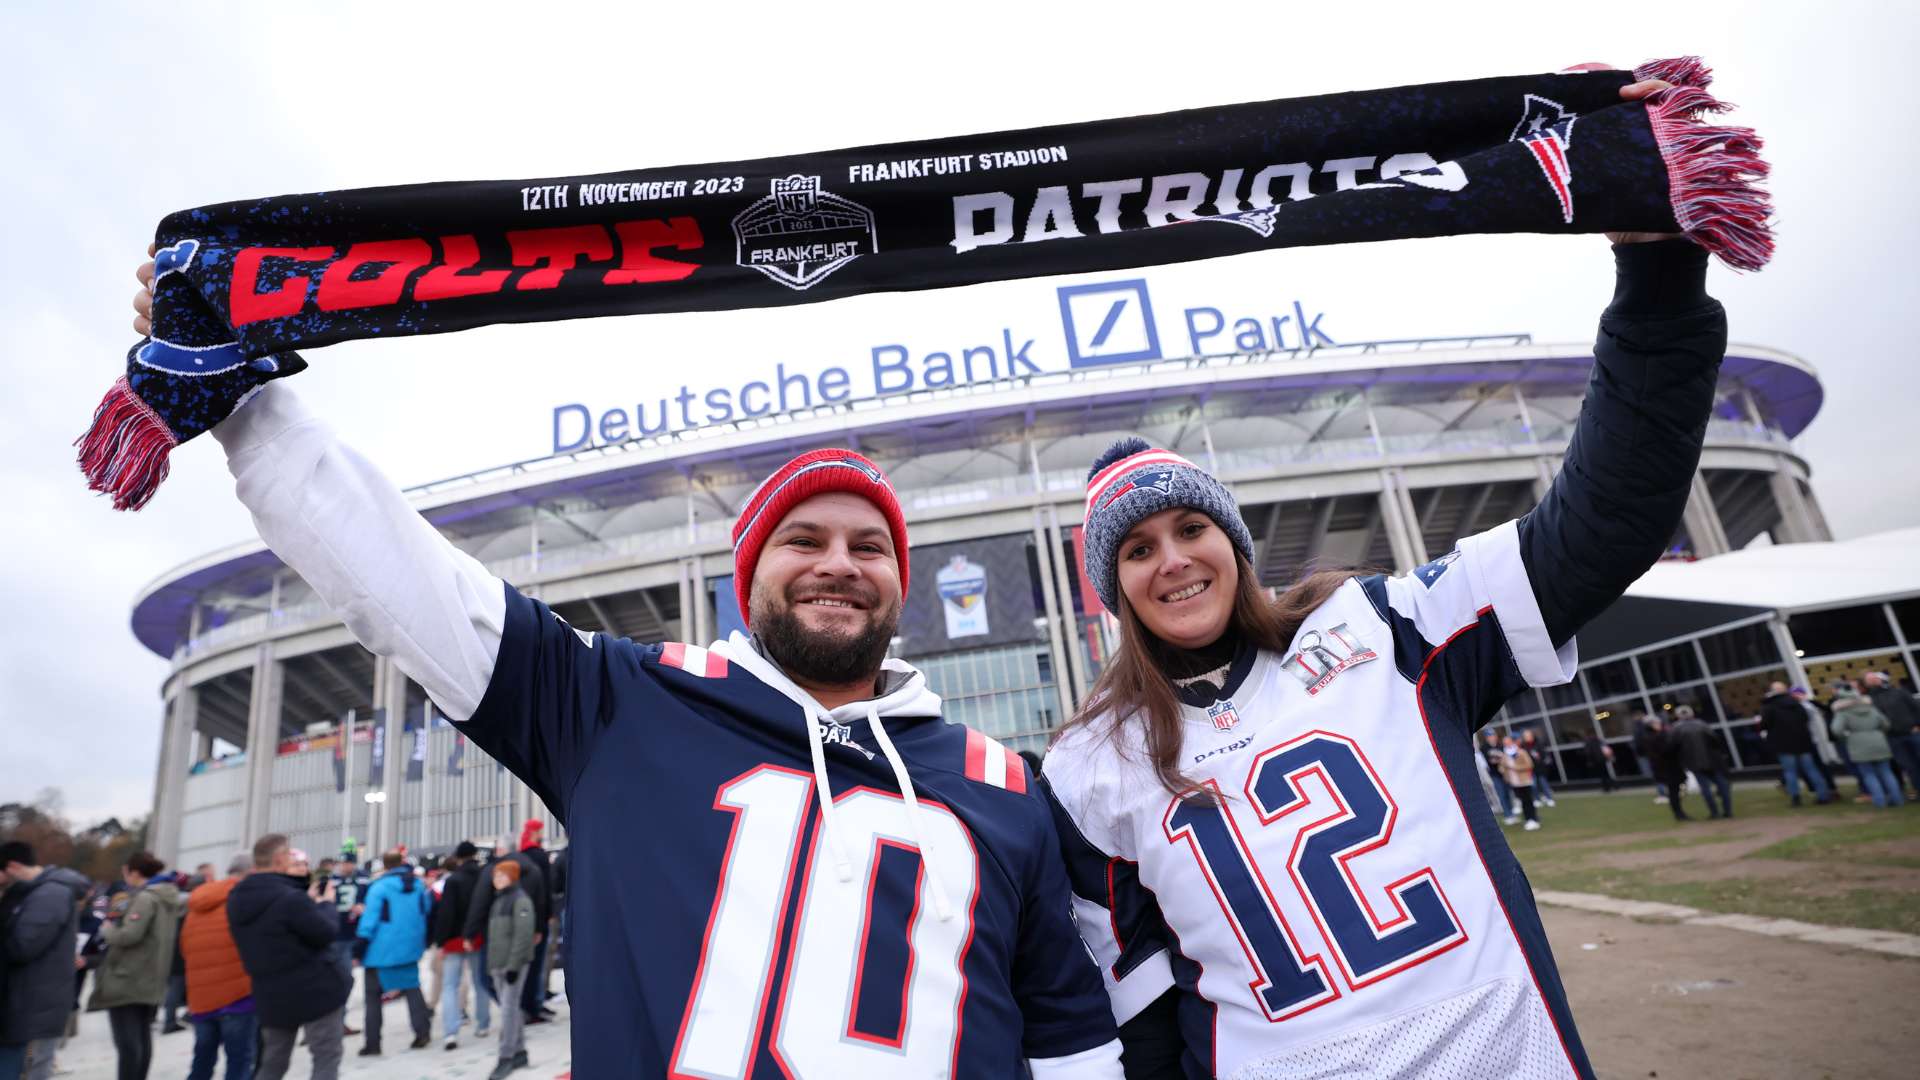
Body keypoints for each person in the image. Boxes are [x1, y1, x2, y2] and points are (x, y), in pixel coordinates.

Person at [132, 230, 1134, 1076]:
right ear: (750, 581)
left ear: (900, 585)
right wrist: (249, 409)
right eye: (806, 540)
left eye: (870, 547)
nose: (840, 564)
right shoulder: (618, 705)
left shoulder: (1001, 783)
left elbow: (1067, 1032)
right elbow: (404, 582)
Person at [1039, 178, 1723, 1074]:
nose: (1171, 559)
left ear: (1235, 543)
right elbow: (1141, 1013)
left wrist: (1657, 273)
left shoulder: (1384, 630)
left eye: (1192, 527)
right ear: (1114, 590)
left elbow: (1603, 525)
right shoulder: (1091, 764)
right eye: (1135, 550)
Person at [227, 834, 350, 1080]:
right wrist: (325, 905)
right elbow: (325, 933)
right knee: (326, 1057)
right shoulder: (289, 898)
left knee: (273, 1061)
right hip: (314, 990)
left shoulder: (236, 898)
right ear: (280, 858)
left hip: (270, 993)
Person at [86, 851, 181, 1080]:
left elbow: (130, 934)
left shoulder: (145, 898)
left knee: (128, 1043)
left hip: (129, 977)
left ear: (135, 873)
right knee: (142, 1038)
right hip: (152, 975)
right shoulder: (167, 897)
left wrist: (108, 930)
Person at [1, 842, 89, 1080]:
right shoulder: (38, 891)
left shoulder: (49, 893)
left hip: (35, 1004)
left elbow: (22, 946)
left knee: (30, 1070)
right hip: (30, 1000)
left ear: (14, 866)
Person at [180, 853, 254, 1080]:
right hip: (238, 998)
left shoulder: (198, 904)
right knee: (239, 1063)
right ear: (250, 873)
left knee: (202, 1062)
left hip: (202, 999)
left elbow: (184, 948)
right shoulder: (243, 900)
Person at [355, 851, 433, 1054]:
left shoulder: (379, 887)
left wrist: (360, 944)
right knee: (412, 989)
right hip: (409, 946)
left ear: (384, 866)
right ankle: (422, 1032)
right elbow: (426, 911)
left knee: (373, 998)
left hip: (379, 951)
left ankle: (373, 1043)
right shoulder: (418, 886)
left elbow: (370, 919)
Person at [484, 860, 537, 1080]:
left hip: (512, 965)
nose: (497, 880)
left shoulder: (520, 900)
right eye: (496, 876)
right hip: (498, 964)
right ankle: (520, 1052)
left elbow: (523, 935)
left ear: (512, 877)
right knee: (511, 1009)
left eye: (502, 876)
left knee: (508, 1010)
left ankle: (505, 1057)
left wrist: (514, 965)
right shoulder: (499, 901)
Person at [432, 842, 488, 1049]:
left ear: (459, 857)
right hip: (477, 937)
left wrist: (440, 941)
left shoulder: (453, 880)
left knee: (450, 986)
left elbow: (445, 914)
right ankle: (483, 1024)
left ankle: (451, 1032)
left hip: (454, 939)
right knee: (480, 981)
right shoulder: (484, 876)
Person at [1829, 682, 1903, 808]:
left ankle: (1879, 801)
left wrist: (1847, 738)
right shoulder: (1870, 707)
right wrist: (1878, 734)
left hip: (1858, 743)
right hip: (1878, 741)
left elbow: (1836, 730)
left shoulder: (1842, 712)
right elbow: (1885, 724)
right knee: (1886, 772)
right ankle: (1897, 799)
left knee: (1868, 774)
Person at [507, 822, 553, 1026]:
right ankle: (532, 1006)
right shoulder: (540, 858)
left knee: (526, 965)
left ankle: (528, 1005)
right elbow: (546, 890)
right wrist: (547, 916)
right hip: (538, 917)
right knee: (536, 966)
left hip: (521, 916)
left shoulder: (519, 858)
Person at [1759, 681, 1832, 805]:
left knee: (1790, 771)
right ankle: (1823, 795)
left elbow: (1764, 724)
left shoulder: (1769, 706)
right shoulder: (1796, 703)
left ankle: (1795, 797)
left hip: (1783, 744)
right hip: (1803, 742)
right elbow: (1805, 719)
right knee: (1811, 769)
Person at [1863, 671, 1920, 798]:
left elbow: (1915, 707)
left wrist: (1917, 724)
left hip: (1912, 732)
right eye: (1869, 680)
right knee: (1909, 766)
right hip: (1892, 737)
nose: (1872, 681)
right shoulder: (1869, 699)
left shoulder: (1898, 692)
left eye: (1874, 679)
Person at [1669, 706, 1733, 819]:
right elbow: (1715, 740)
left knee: (1705, 788)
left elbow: (1673, 746)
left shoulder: (1676, 729)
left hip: (1693, 762)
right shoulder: (1702, 724)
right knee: (1721, 784)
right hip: (1712, 761)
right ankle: (1727, 810)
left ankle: (1714, 812)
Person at [1502, 734, 1542, 830]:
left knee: (1528, 800)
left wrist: (1515, 768)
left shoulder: (1521, 752)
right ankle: (1528, 819)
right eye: (1504, 742)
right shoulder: (1505, 754)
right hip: (1514, 782)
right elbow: (1502, 767)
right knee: (1522, 802)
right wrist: (1504, 770)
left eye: (1508, 742)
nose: (1506, 744)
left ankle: (1533, 819)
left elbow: (1529, 765)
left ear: (1512, 742)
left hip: (1524, 781)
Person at [1630, 708, 1668, 803]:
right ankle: (1665, 792)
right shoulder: (1646, 728)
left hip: (1650, 755)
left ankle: (1663, 793)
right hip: (1654, 754)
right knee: (1660, 773)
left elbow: (1639, 743)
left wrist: (1641, 753)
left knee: (1657, 774)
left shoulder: (1640, 728)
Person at [1481, 729, 1515, 818]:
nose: (1492, 737)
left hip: (1504, 773)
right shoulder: (1484, 748)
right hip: (1494, 774)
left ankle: (1512, 811)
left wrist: (1500, 759)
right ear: (1486, 738)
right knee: (1501, 793)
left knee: (1508, 792)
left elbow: (1506, 757)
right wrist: (1499, 759)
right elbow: (1490, 761)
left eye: (1493, 735)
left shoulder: (1501, 745)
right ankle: (1508, 815)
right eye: (1489, 736)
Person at [1520, 728, 1557, 807]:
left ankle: (1549, 798)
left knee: (1544, 784)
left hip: (1540, 768)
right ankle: (1537, 799)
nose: (1527, 737)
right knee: (1533, 785)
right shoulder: (1523, 746)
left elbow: (1544, 755)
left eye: (1528, 736)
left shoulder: (1539, 743)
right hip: (1530, 769)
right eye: (1525, 736)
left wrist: (1541, 760)